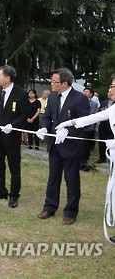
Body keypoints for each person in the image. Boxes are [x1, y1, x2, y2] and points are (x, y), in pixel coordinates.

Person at [54, 78, 115, 240]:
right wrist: (67, 123)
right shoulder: (112, 108)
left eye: (113, 86)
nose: (110, 89)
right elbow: (90, 119)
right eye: (110, 86)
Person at [36, 68, 90, 225]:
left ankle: (71, 212)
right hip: (54, 145)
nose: (52, 84)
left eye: (55, 81)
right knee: (53, 178)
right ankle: (50, 207)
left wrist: (68, 130)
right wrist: (45, 127)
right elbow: (48, 116)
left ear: (65, 83)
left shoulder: (80, 99)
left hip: (71, 146)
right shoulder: (53, 97)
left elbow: (85, 121)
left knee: (71, 179)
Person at [0, 65, 27, 208]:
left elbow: (24, 114)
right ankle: (0, 191)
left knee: (14, 167)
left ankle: (14, 195)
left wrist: (13, 125)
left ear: (7, 78)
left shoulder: (20, 93)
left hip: (12, 136)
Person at [79, 87, 99, 171]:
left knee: (86, 145)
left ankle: (84, 161)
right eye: (84, 91)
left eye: (87, 92)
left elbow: (91, 115)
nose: (84, 93)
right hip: (78, 126)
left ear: (91, 94)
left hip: (88, 127)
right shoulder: (77, 102)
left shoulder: (94, 104)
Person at [96, 88, 114, 164]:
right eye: (108, 92)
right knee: (102, 142)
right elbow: (98, 112)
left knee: (112, 142)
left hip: (112, 126)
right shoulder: (103, 103)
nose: (109, 93)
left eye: (111, 92)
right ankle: (102, 158)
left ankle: (112, 158)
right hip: (103, 125)